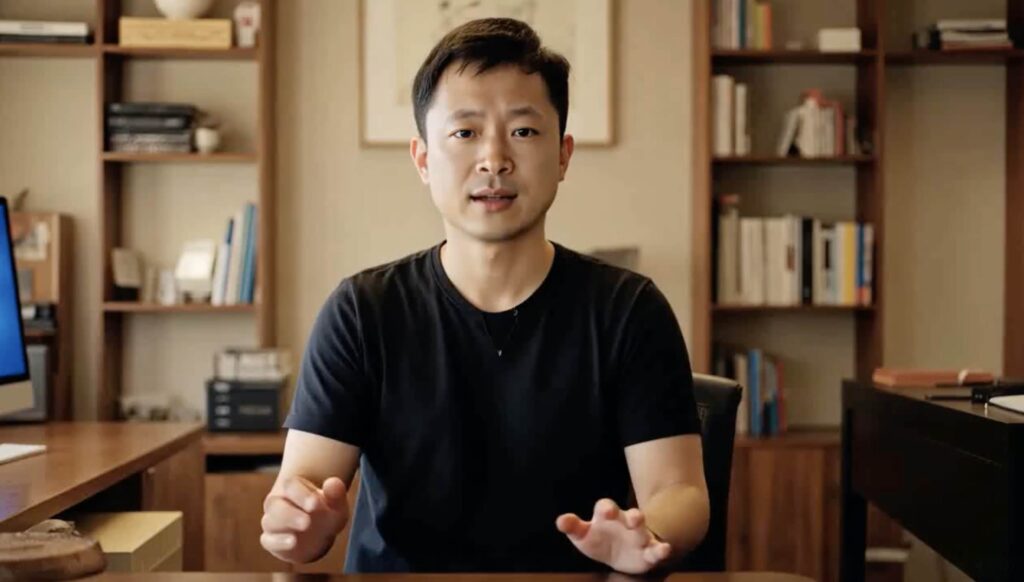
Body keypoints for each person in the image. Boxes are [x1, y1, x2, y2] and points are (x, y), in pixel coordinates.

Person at [259, 17, 709, 574]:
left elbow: (679, 491)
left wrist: (648, 536)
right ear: (423, 159)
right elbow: (298, 501)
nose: (494, 159)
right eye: (465, 133)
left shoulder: (628, 309)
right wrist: (297, 527)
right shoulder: (361, 312)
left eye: (524, 131)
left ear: (563, 155)